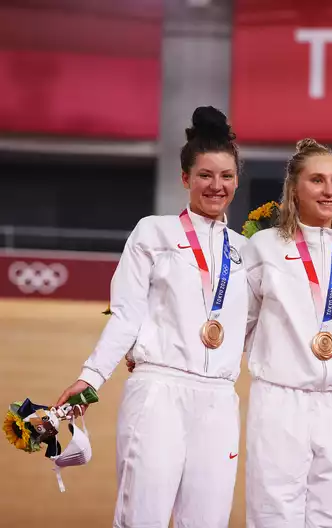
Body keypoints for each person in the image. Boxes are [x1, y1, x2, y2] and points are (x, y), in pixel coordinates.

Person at [55, 106, 249, 528]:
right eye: (205, 175)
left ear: (237, 180)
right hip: (159, 389)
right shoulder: (153, 232)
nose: (216, 186)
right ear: (185, 178)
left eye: (227, 176)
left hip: (219, 398)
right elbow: (127, 315)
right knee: (142, 517)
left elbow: (252, 328)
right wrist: (91, 379)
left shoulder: (247, 251)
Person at [242, 139, 332, 527]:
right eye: (317, 180)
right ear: (294, 189)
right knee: (273, 511)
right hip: (280, 400)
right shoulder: (264, 247)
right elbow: (244, 322)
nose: (329, 190)